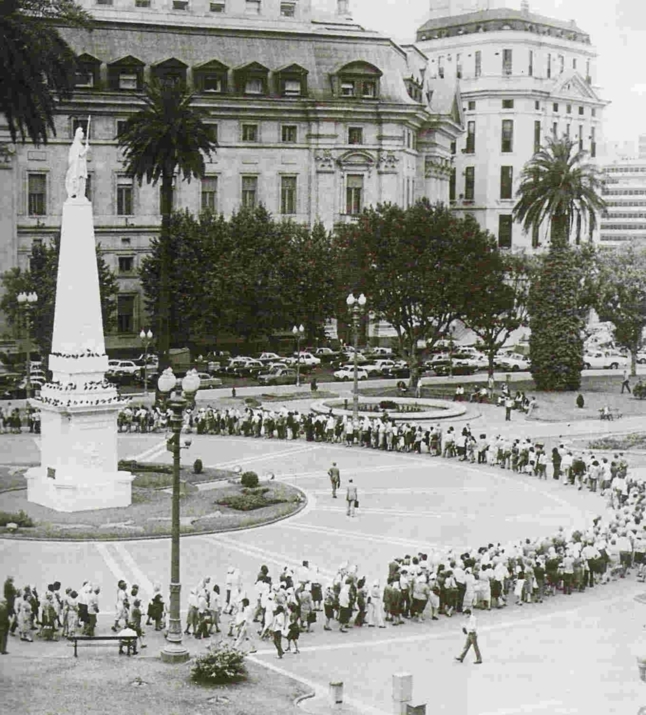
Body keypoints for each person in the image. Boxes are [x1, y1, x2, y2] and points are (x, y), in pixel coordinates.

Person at [65, 125, 89, 200]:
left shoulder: (80, 145)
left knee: (82, 182)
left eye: (83, 133)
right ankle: (75, 194)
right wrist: (86, 150)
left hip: (81, 167)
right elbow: (78, 155)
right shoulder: (75, 145)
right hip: (76, 167)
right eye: (81, 133)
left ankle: (81, 195)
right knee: (77, 182)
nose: (82, 134)